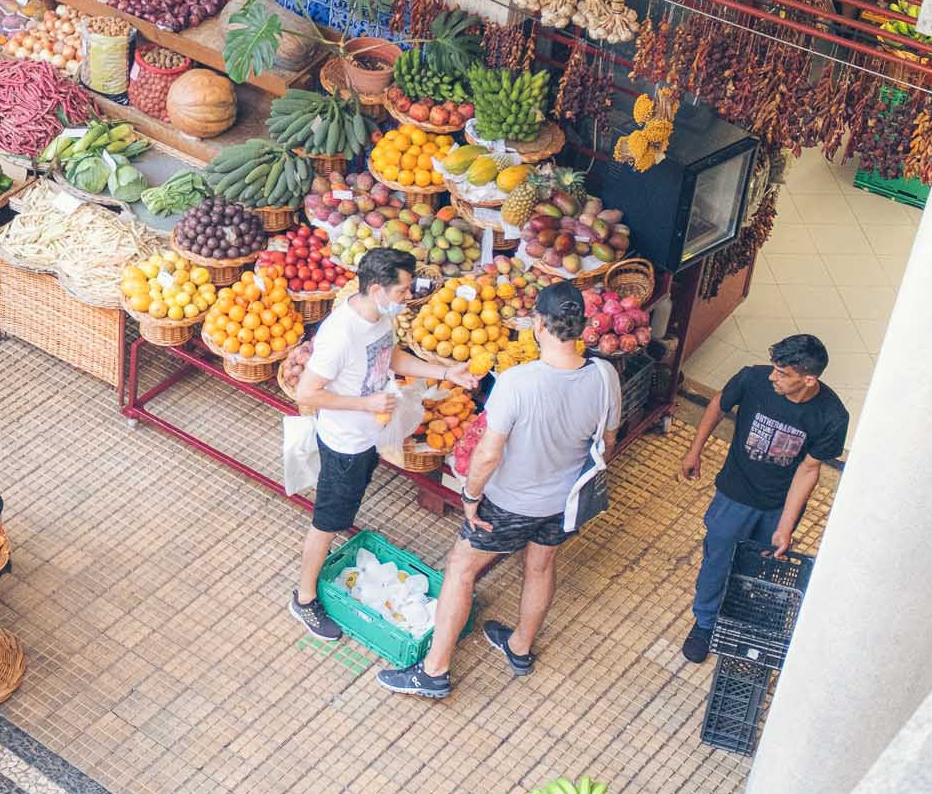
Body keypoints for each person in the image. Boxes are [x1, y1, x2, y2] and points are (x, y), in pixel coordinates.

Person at [379, 283, 620, 698]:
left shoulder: (517, 382)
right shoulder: (605, 374)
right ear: (580, 326)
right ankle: (520, 647)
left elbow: (489, 454)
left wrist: (471, 497)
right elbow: (608, 442)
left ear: (538, 325)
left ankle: (434, 672)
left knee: (462, 568)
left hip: (511, 503)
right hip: (564, 503)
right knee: (541, 567)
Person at [288, 247, 477, 640]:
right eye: (404, 290)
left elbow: (392, 359)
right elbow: (307, 393)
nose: (408, 296)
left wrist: (446, 373)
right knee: (325, 523)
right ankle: (304, 599)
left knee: (339, 511)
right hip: (343, 444)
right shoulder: (340, 334)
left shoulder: (379, 319)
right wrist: (365, 403)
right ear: (377, 289)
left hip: (365, 438)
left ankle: (330, 545)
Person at [678, 333, 848, 663]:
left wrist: (785, 526)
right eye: (774, 368)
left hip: (777, 506)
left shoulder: (832, 416)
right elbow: (718, 404)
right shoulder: (752, 379)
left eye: (783, 374)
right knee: (717, 561)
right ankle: (705, 623)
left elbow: (809, 470)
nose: (773, 377)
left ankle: (743, 625)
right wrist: (694, 451)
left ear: (808, 379)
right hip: (734, 495)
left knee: (760, 570)